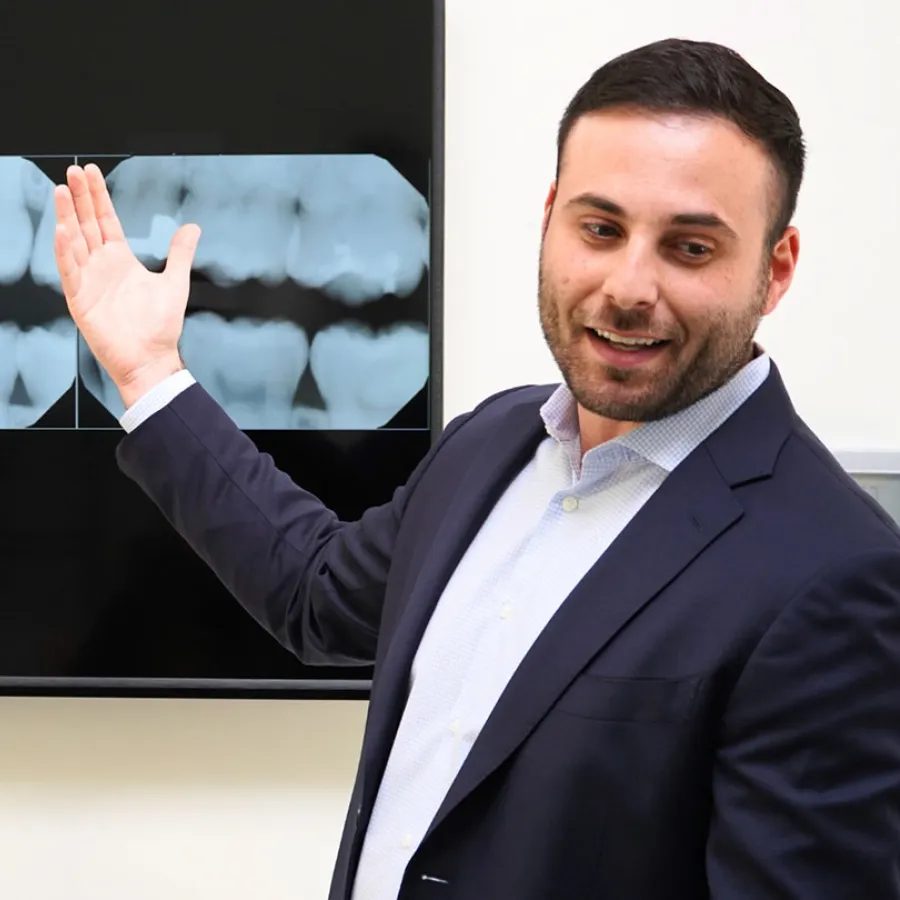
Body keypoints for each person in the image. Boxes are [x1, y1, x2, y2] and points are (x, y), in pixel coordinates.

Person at [53, 37, 900, 900]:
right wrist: (149, 373)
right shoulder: (492, 441)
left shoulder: (836, 575)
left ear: (775, 269)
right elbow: (315, 594)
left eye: (689, 248)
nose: (628, 285)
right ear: (550, 218)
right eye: (600, 229)